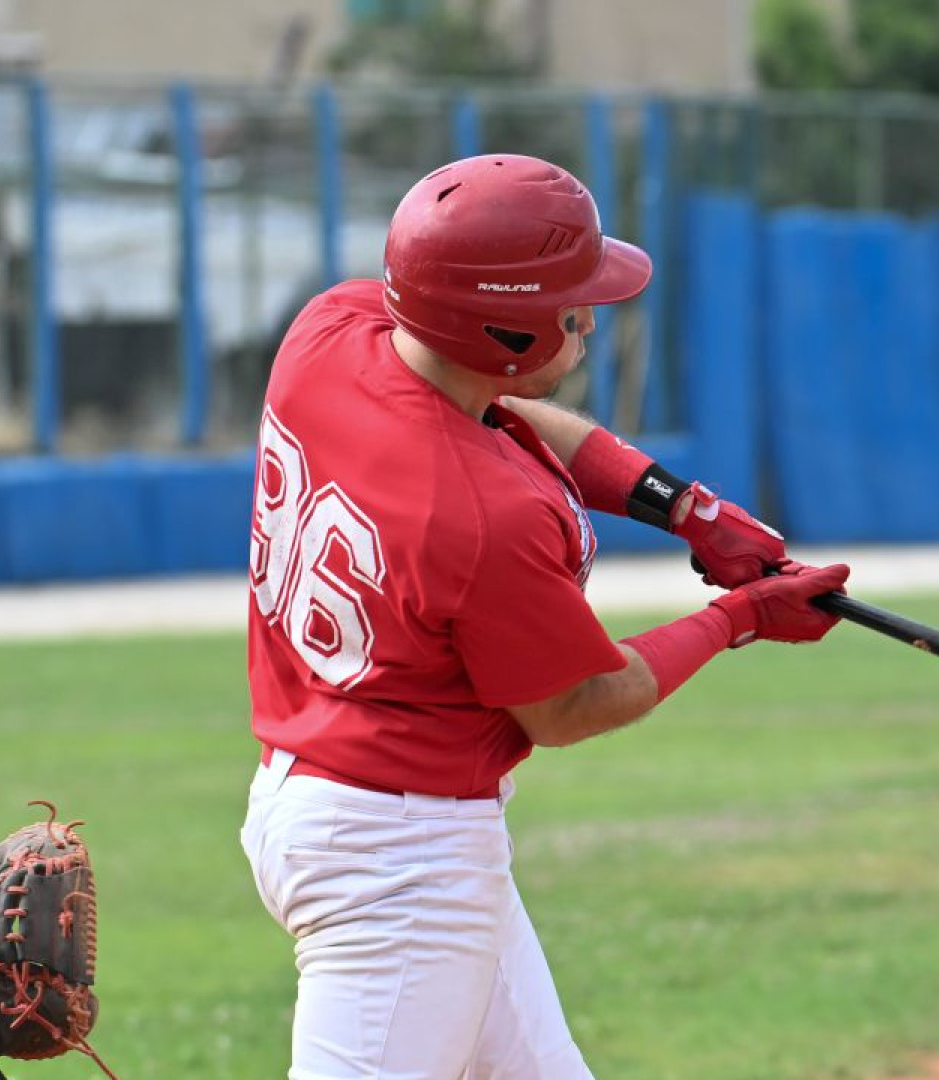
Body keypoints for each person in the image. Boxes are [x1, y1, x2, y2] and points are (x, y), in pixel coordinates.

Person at [238, 153, 850, 1079]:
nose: (591, 321)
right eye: (570, 309)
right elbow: (577, 703)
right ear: (506, 333)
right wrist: (742, 621)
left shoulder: (336, 330)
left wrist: (682, 506)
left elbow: (504, 410)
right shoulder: (482, 514)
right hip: (399, 864)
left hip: (335, 799)